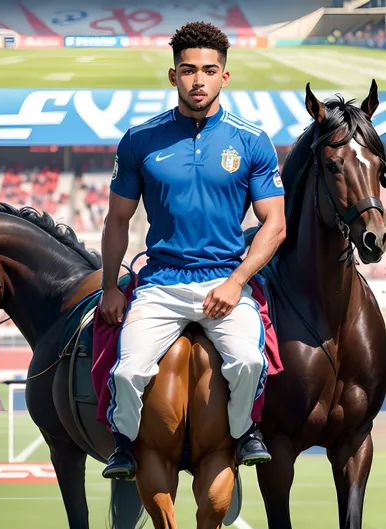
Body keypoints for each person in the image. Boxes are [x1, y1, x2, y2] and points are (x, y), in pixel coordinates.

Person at [100, 21, 286, 481]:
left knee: (247, 361)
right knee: (127, 373)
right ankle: (123, 444)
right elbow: (117, 220)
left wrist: (237, 281)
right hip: (161, 282)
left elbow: (275, 224)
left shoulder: (252, 140)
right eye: (187, 70)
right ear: (172, 76)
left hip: (225, 281)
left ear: (225, 76)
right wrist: (109, 287)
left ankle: (244, 434)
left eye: (208, 70)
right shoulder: (140, 139)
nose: (197, 80)